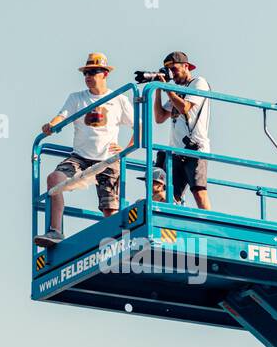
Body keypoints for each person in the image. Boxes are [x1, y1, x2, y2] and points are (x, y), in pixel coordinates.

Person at [36, 52, 134, 247]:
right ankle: (55, 231)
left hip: (107, 158)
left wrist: (126, 149)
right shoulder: (77, 98)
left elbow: (140, 126)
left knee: (110, 208)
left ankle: (113, 243)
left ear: (104, 74)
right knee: (54, 180)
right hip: (80, 157)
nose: (88, 76)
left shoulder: (119, 99)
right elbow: (62, 116)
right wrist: (50, 126)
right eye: (86, 73)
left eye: (93, 72)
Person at [152, 51, 212, 210]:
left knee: (199, 192)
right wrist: (158, 89)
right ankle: (170, 227)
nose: (172, 73)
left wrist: (167, 89)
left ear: (186, 66)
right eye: (169, 70)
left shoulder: (198, 83)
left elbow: (185, 107)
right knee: (170, 196)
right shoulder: (175, 91)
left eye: (174, 69)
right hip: (176, 151)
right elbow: (159, 117)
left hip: (195, 149)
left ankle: (209, 226)